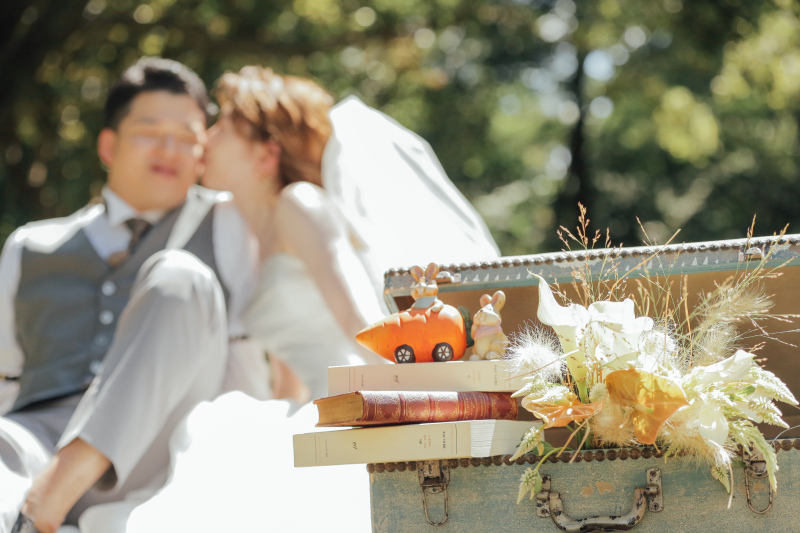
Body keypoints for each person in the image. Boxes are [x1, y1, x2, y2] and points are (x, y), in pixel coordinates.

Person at [78, 66, 500, 532]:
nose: (207, 138)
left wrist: (408, 407)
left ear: (265, 153)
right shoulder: (252, 234)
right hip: (312, 408)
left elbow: (358, 319)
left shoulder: (301, 204)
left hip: (354, 402)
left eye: (223, 128)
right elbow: (290, 379)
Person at [0, 57, 262, 533]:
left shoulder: (228, 226)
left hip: (158, 447)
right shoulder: (29, 246)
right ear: (108, 144)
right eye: (150, 130)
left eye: (188, 137)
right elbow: (7, 380)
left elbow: (248, 365)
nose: (171, 149)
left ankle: (43, 505)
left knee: (180, 276)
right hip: (36, 437)